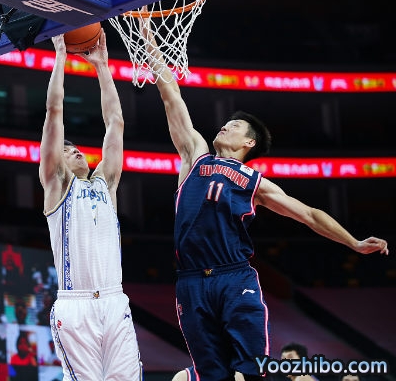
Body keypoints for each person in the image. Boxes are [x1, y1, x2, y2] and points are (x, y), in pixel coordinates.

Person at [145, 25, 389, 381]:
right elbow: (170, 94)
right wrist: (147, 36)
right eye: (226, 123)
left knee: (251, 370)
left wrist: (352, 242)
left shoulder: (255, 183)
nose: (225, 127)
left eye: (234, 126)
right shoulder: (194, 156)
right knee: (210, 374)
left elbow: (309, 214)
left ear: (249, 143)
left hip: (233, 277)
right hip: (190, 280)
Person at [39, 31, 142, 380]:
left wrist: (101, 66)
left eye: (77, 148)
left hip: (115, 301)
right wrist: (61, 56)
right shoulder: (57, 185)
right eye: (67, 151)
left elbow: (116, 123)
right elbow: (54, 112)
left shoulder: (105, 183)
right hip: (76, 304)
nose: (76, 151)